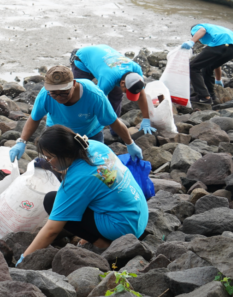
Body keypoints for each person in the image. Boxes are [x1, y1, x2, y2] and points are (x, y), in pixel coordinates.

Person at [17, 126, 149, 262]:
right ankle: (95, 235)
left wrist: (24, 258)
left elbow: (52, 230)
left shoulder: (77, 180)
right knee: (95, 193)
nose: (48, 162)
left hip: (123, 229)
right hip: (140, 214)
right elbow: (97, 180)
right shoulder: (95, 146)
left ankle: (101, 243)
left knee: (51, 201)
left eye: (50, 157)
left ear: (65, 153)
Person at [10, 66, 144, 163]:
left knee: (93, 167)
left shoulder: (94, 95)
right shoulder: (45, 95)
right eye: (54, 93)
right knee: (56, 167)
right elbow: (34, 119)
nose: (59, 97)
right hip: (58, 133)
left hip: (90, 134)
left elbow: (114, 122)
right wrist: (21, 142)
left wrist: (130, 143)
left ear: (74, 84)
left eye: (63, 92)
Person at [71, 45, 154, 134]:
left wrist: (146, 119)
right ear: (122, 83)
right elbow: (96, 101)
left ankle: (115, 126)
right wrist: (93, 128)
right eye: (127, 91)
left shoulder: (136, 69)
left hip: (103, 59)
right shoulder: (108, 79)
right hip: (82, 59)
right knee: (81, 95)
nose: (127, 95)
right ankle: (75, 125)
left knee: (117, 95)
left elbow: (141, 93)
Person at [182, 23, 233, 105]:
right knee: (208, 67)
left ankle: (203, 97)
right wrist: (218, 79)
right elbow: (215, 63)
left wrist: (192, 41)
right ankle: (211, 97)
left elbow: (202, 30)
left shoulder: (198, 27)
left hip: (222, 42)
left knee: (192, 67)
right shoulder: (215, 31)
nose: (199, 42)